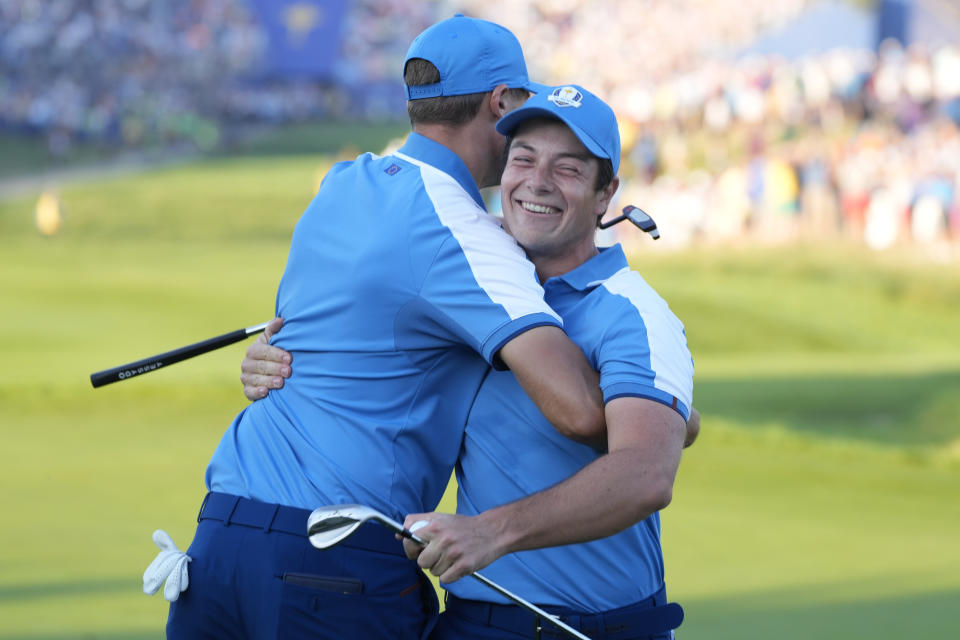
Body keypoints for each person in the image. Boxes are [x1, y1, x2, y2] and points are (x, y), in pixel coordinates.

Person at [150, 15, 610, 640]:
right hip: (330, 560)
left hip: (220, 542)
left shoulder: (341, 184)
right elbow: (580, 411)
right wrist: (665, 409)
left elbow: (295, 341)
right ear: (501, 102)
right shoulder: (465, 235)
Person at [243, 85, 696, 639]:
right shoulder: (466, 292)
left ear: (606, 195)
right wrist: (280, 356)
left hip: (593, 628)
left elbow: (646, 474)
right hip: (469, 624)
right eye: (523, 159)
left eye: (569, 169)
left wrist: (491, 532)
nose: (537, 181)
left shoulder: (633, 311)